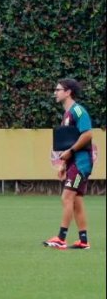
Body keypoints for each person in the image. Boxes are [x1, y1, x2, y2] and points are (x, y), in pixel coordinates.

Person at [43, 78, 94, 250]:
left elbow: (87, 134)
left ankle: (61, 238)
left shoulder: (78, 111)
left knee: (67, 197)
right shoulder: (67, 114)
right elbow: (70, 143)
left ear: (68, 92)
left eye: (58, 90)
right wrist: (64, 165)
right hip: (75, 165)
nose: (55, 93)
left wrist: (71, 153)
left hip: (81, 165)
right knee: (76, 199)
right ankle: (83, 241)